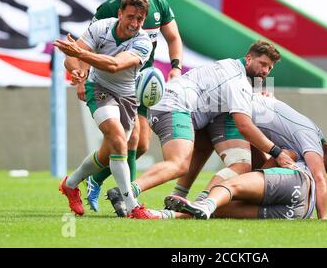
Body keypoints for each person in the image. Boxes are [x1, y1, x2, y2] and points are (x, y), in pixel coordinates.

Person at [106, 40, 297, 218]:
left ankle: (188, 200)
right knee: (179, 164)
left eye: (269, 68)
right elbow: (244, 125)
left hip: (179, 106)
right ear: (248, 59)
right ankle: (125, 192)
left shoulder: (230, 66)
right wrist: (277, 152)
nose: (265, 71)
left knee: (211, 149)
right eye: (263, 64)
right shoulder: (238, 81)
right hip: (174, 106)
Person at [82, 0, 184, 212]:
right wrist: (81, 79)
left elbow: (173, 37)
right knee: (128, 141)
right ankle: (129, 203)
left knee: (140, 147)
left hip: (142, 82)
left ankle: (95, 178)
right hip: (112, 82)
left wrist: (175, 67)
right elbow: (86, 47)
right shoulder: (109, 7)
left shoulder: (159, 4)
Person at [56, 0, 154, 219]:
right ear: (119, 14)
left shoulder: (143, 42)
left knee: (108, 152)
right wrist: (77, 71)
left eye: (140, 19)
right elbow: (70, 58)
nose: (134, 23)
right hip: (98, 88)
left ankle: (70, 183)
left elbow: (115, 65)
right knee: (119, 140)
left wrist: (82, 55)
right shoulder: (101, 27)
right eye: (130, 16)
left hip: (128, 97)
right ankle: (133, 207)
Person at [164, 94, 327, 220]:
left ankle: (202, 200)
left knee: (236, 173)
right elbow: (274, 161)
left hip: (293, 181)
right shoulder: (301, 138)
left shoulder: (306, 141)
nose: (315, 163)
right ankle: (170, 214)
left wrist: (324, 216)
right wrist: (321, 217)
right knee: (221, 210)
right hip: (301, 211)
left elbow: (319, 176)